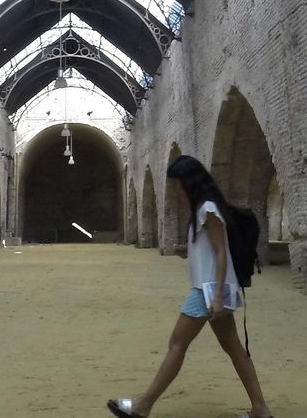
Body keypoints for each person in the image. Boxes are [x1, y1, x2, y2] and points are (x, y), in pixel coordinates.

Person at [108, 154, 273, 418]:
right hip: (211, 288)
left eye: (177, 183)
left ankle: (143, 406)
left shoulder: (208, 209)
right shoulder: (203, 209)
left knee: (177, 343)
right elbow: (211, 250)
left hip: (208, 291)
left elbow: (221, 253)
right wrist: (190, 251)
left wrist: (217, 297)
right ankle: (260, 409)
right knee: (232, 346)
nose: (175, 189)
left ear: (189, 182)